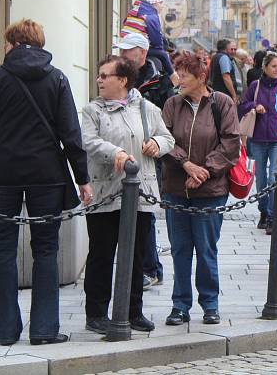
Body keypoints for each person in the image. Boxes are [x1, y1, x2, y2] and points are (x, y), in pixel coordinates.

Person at [0, 19, 92, 347]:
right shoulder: (57, 78)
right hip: (46, 175)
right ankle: (44, 329)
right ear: (39, 43)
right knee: (46, 250)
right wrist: (83, 179)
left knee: (3, 249)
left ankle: (6, 331)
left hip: (1, 175)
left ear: (13, 43)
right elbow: (71, 134)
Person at [81, 55, 174, 335]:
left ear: (122, 80)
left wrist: (157, 144)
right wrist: (116, 153)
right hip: (106, 191)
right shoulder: (92, 111)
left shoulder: (145, 108)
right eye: (98, 75)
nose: (99, 80)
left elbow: (167, 137)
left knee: (134, 255)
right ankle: (96, 313)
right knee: (101, 254)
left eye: (104, 75)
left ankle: (134, 311)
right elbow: (88, 141)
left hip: (140, 194)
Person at [161, 52, 240, 326]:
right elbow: (165, 139)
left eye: (184, 74)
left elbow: (231, 143)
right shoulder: (172, 104)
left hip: (211, 191)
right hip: (177, 188)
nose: (179, 79)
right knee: (180, 249)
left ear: (201, 77)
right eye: (178, 73)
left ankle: (210, 304)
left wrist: (204, 170)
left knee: (206, 250)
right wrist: (186, 165)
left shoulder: (222, 103)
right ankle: (180, 305)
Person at [116, 33, 177, 290]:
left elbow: (168, 121)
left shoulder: (158, 81)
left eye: (127, 51)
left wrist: (156, 142)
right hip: (124, 153)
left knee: (145, 211)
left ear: (141, 53)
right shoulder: (120, 78)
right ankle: (144, 266)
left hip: (149, 153)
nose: (123, 55)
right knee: (133, 212)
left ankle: (150, 268)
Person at [239, 52, 277, 234]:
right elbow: (242, 105)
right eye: (274, 66)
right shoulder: (255, 86)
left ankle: (272, 216)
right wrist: (254, 106)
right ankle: (263, 212)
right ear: (265, 67)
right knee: (260, 178)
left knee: (273, 177)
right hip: (258, 138)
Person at [121, 0, 177, 83]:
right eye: (161, 3)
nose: (162, 6)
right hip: (137, 46)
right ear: (154, 2)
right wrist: (160, 48)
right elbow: (156, 37)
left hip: (126, 44)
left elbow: (125, 23)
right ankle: (173, 76)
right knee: (163, 55)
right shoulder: (151, 15)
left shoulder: (134, 10)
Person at [209, 38, 240, 103]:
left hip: (217, 93)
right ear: (226, 48)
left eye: (235, 49)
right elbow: (226, 77)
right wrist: (234, 95)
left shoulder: (215, 57)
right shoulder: (224, 58)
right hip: (225, 95)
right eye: (231, 48)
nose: (233, 51)